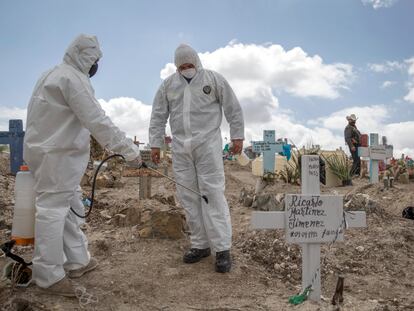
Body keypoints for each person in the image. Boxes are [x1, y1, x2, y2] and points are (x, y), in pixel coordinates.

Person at [24, 34, 141, 296]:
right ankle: (48, 276)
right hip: (56, 154)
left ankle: (78, 260)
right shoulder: (72, 79)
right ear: (85, 57)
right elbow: (97, 120)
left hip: (50, 153)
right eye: (95, 59)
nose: (96, 65)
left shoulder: (51, 75)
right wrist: (130, 151)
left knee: (67, 209)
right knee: (53, 211)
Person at [149, 44, 244, 273]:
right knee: (188, 196)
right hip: (181, 148)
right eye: (182, 66)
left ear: (197, 62)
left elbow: (233, 108)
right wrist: (156, 143)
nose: (186, 69)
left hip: (208, 145)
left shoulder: (213, 80)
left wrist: (237, 136)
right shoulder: (168, 86)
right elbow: (158, 115)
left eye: (190, 65)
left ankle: (222, 249)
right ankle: (200, 245)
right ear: (176, 67)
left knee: (212, 193)